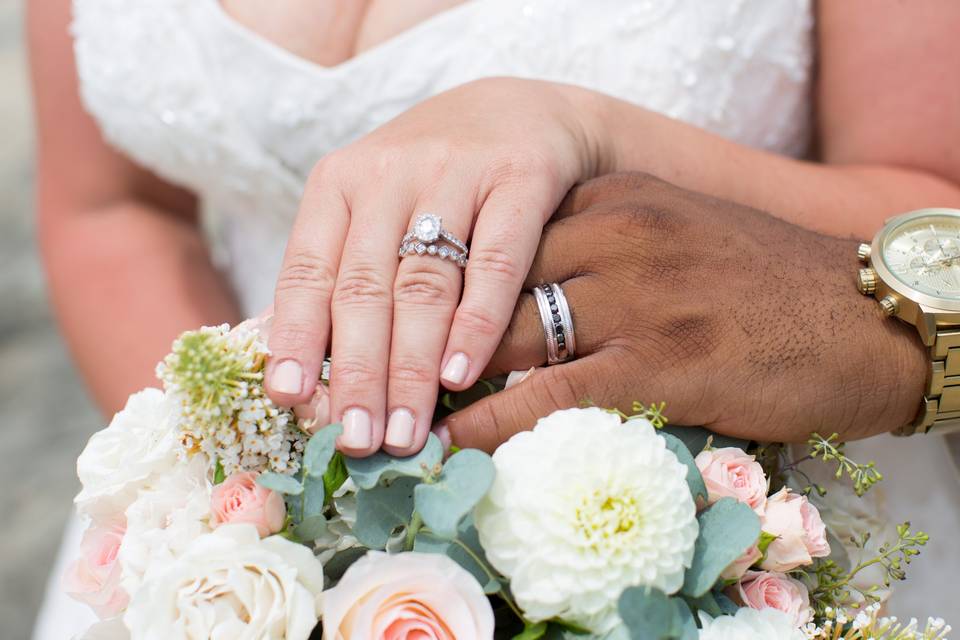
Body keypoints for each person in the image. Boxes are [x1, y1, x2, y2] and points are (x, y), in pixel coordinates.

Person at [27, 1, 960, 636]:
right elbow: (115, 211)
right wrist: (247, 520)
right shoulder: (242, 534)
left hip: (708, 528)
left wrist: (588, 131)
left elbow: (938, 211)